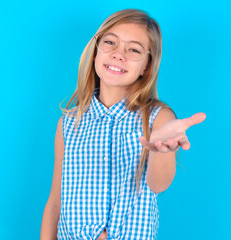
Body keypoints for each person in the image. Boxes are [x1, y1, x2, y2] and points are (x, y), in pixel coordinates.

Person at [40, 9, 206, 240]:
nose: (119, 54)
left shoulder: (158, 118)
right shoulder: (69, 124)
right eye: (110, 42)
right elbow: (55, 202)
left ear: (147, 66)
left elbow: (158, 184)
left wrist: (161, 151)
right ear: (96, 51)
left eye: (134, 49)